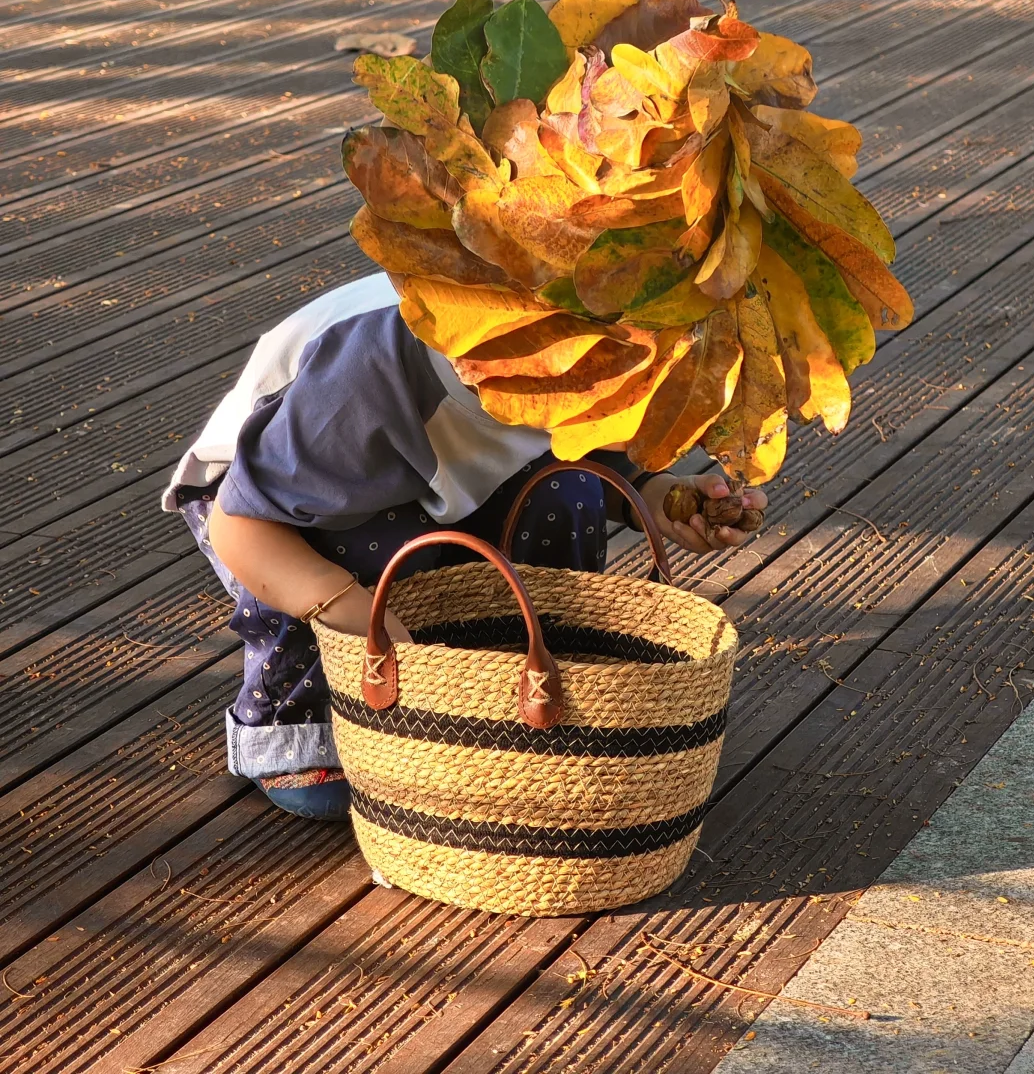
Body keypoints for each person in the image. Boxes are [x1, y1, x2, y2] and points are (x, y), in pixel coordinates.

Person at [163, 271, 767, 821]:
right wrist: (347, 608)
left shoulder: (592, 342)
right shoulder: (372, 374)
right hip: (284, 508)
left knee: (570, 492)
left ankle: (513, 683)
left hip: (451, 480)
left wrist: (654, 493)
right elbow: (241, 525)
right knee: (383, 544)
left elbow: (580, 445)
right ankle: (300, 720)